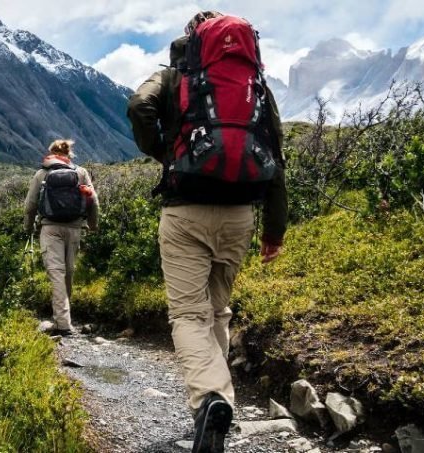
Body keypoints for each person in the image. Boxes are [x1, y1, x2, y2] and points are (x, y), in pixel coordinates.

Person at [127, 11, 288, 453]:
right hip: (241, 215)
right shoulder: (255, 85)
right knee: (217, 310)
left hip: (186, 212)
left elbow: (138, 106)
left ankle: (210, 400)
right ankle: (223, 403)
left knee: (187, 315)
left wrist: (163, 151)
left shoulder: (174, 77)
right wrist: (274, 230)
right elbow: (274, 154)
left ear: (192, 40)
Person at [24, 139, 99, 336]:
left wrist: (29, 228)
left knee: (56, 272)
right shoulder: (80, 172)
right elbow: (93, 201)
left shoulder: (42, 173)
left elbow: (30, 205)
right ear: (69, 154)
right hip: (74, 228)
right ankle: (65, 317)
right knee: (68, 272)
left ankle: (63, 323)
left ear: (51, 153)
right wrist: (92, 225)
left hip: (50, 229)